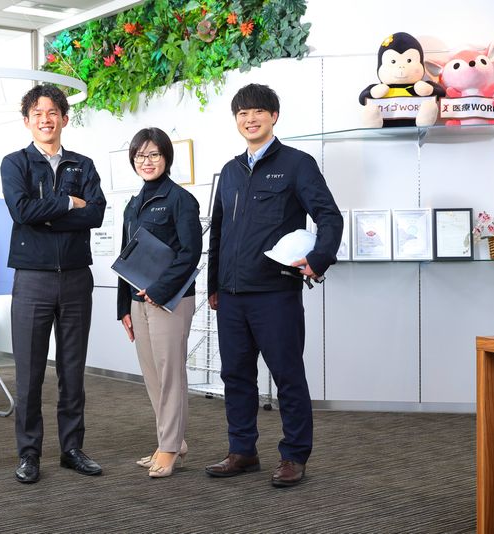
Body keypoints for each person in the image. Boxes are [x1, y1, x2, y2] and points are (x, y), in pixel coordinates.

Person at [205, 84, 343, 487]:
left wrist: (319, 259)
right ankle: (242, 450)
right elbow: (218, 233)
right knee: (235, 376)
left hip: (275, 293)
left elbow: (329, 216)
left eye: (258, 112)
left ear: (274, 116)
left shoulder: (297, 164)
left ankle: (294, 455)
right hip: (231, 295)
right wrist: (214, 284)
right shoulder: (230, 171)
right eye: (242, 113)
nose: (250, 119)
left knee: (287, 376)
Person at [1, 84, 107, 484]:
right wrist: (67, 203)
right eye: (37, 114)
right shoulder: (15, 163)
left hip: (77, 277)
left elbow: (95, 214)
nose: (45, 120)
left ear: (64, 118)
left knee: (72, 369)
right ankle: (29, 453)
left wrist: (49, 215)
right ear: (27, 121)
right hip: (32, 279)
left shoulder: (83, 164)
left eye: (52, 113)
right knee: (29, 373)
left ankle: (72, 448)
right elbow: (21, 211)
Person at [117, 127, 202, 478]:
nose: (147, 161)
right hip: (139, 301)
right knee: (153, 376)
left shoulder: (181, 200)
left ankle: (169, 447)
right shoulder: (133, 204)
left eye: (154, 154)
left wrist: (160, 290)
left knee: (170, 375)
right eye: (140, 156)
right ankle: (171, 440)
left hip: (170, 301)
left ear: (166, 157)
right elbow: (126, 256)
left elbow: (190, 253)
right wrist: (123, 308)